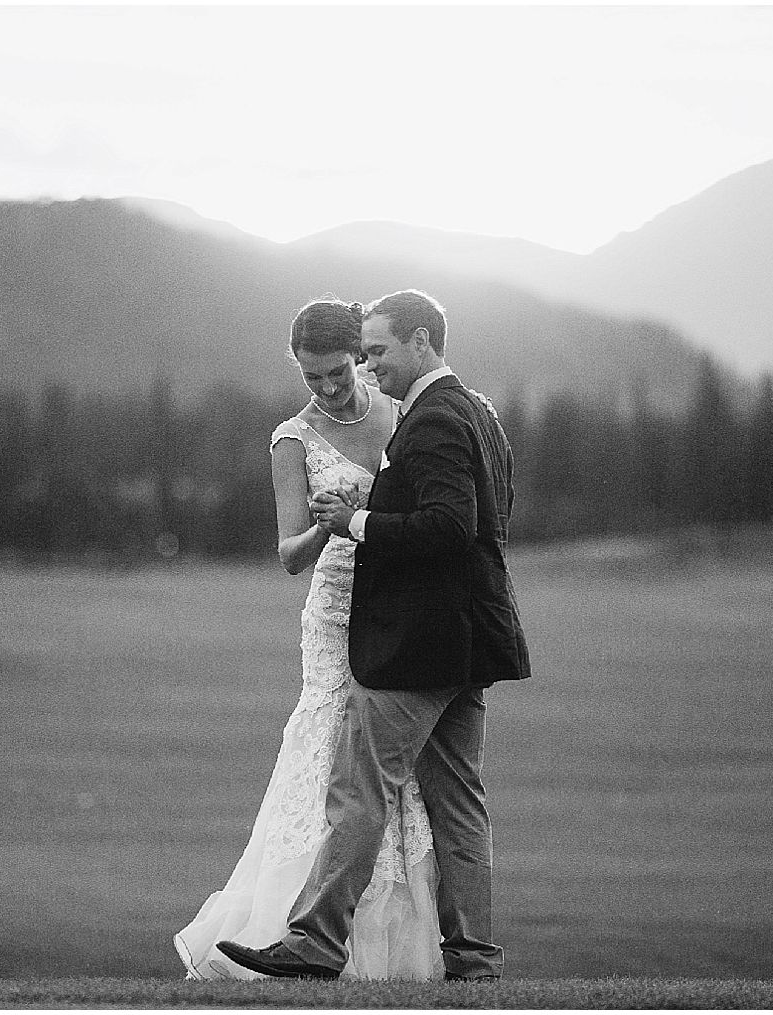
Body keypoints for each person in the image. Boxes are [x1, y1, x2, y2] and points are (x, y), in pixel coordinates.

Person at [217, 288, 531, 983]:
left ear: (421, 341)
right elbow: (490, 515)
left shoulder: (434, 418)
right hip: (469, 638)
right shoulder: (480, 411)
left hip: (417, 640)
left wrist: (357, 522)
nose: (367, 365)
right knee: (457, 800)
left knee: (359, 788)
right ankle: (474, 958)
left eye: (376, 352)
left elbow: (448, 525)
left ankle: (317, 943)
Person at [173, 297, 443, 980]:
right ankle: (304, 928)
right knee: (328, 753)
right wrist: (333, 523)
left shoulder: (397, 413)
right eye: (311, 376)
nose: (327, 386)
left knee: (392, 770)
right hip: (333, 613)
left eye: (335, 371)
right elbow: (290, 553)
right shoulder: (292, 437)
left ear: (358, 353)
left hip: (396, 604)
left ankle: (397, 938)